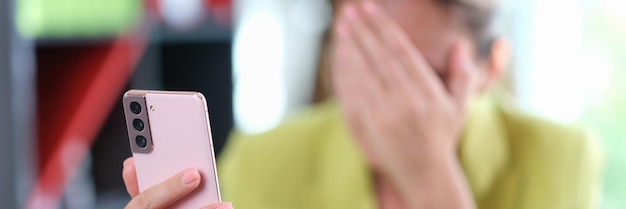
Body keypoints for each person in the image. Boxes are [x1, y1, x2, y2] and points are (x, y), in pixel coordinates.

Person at [122, 0, 602, 208]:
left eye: (420, 79)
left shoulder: (560, 159)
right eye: (363, 68)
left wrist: (431, 177)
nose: (385, 111)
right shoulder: (262, 160)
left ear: (489, 69)